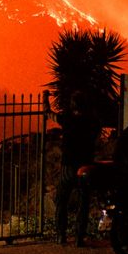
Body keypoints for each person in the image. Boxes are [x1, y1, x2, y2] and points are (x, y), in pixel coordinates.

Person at [52, 90, 101, 245]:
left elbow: (50, 114)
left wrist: (45, 99)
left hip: (68, 165)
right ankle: (79, 236)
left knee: (62, 201)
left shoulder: (68, 119)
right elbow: (96, 136)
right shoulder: (93, 122)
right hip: (85, 166)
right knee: (84, 201)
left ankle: (61, 235)